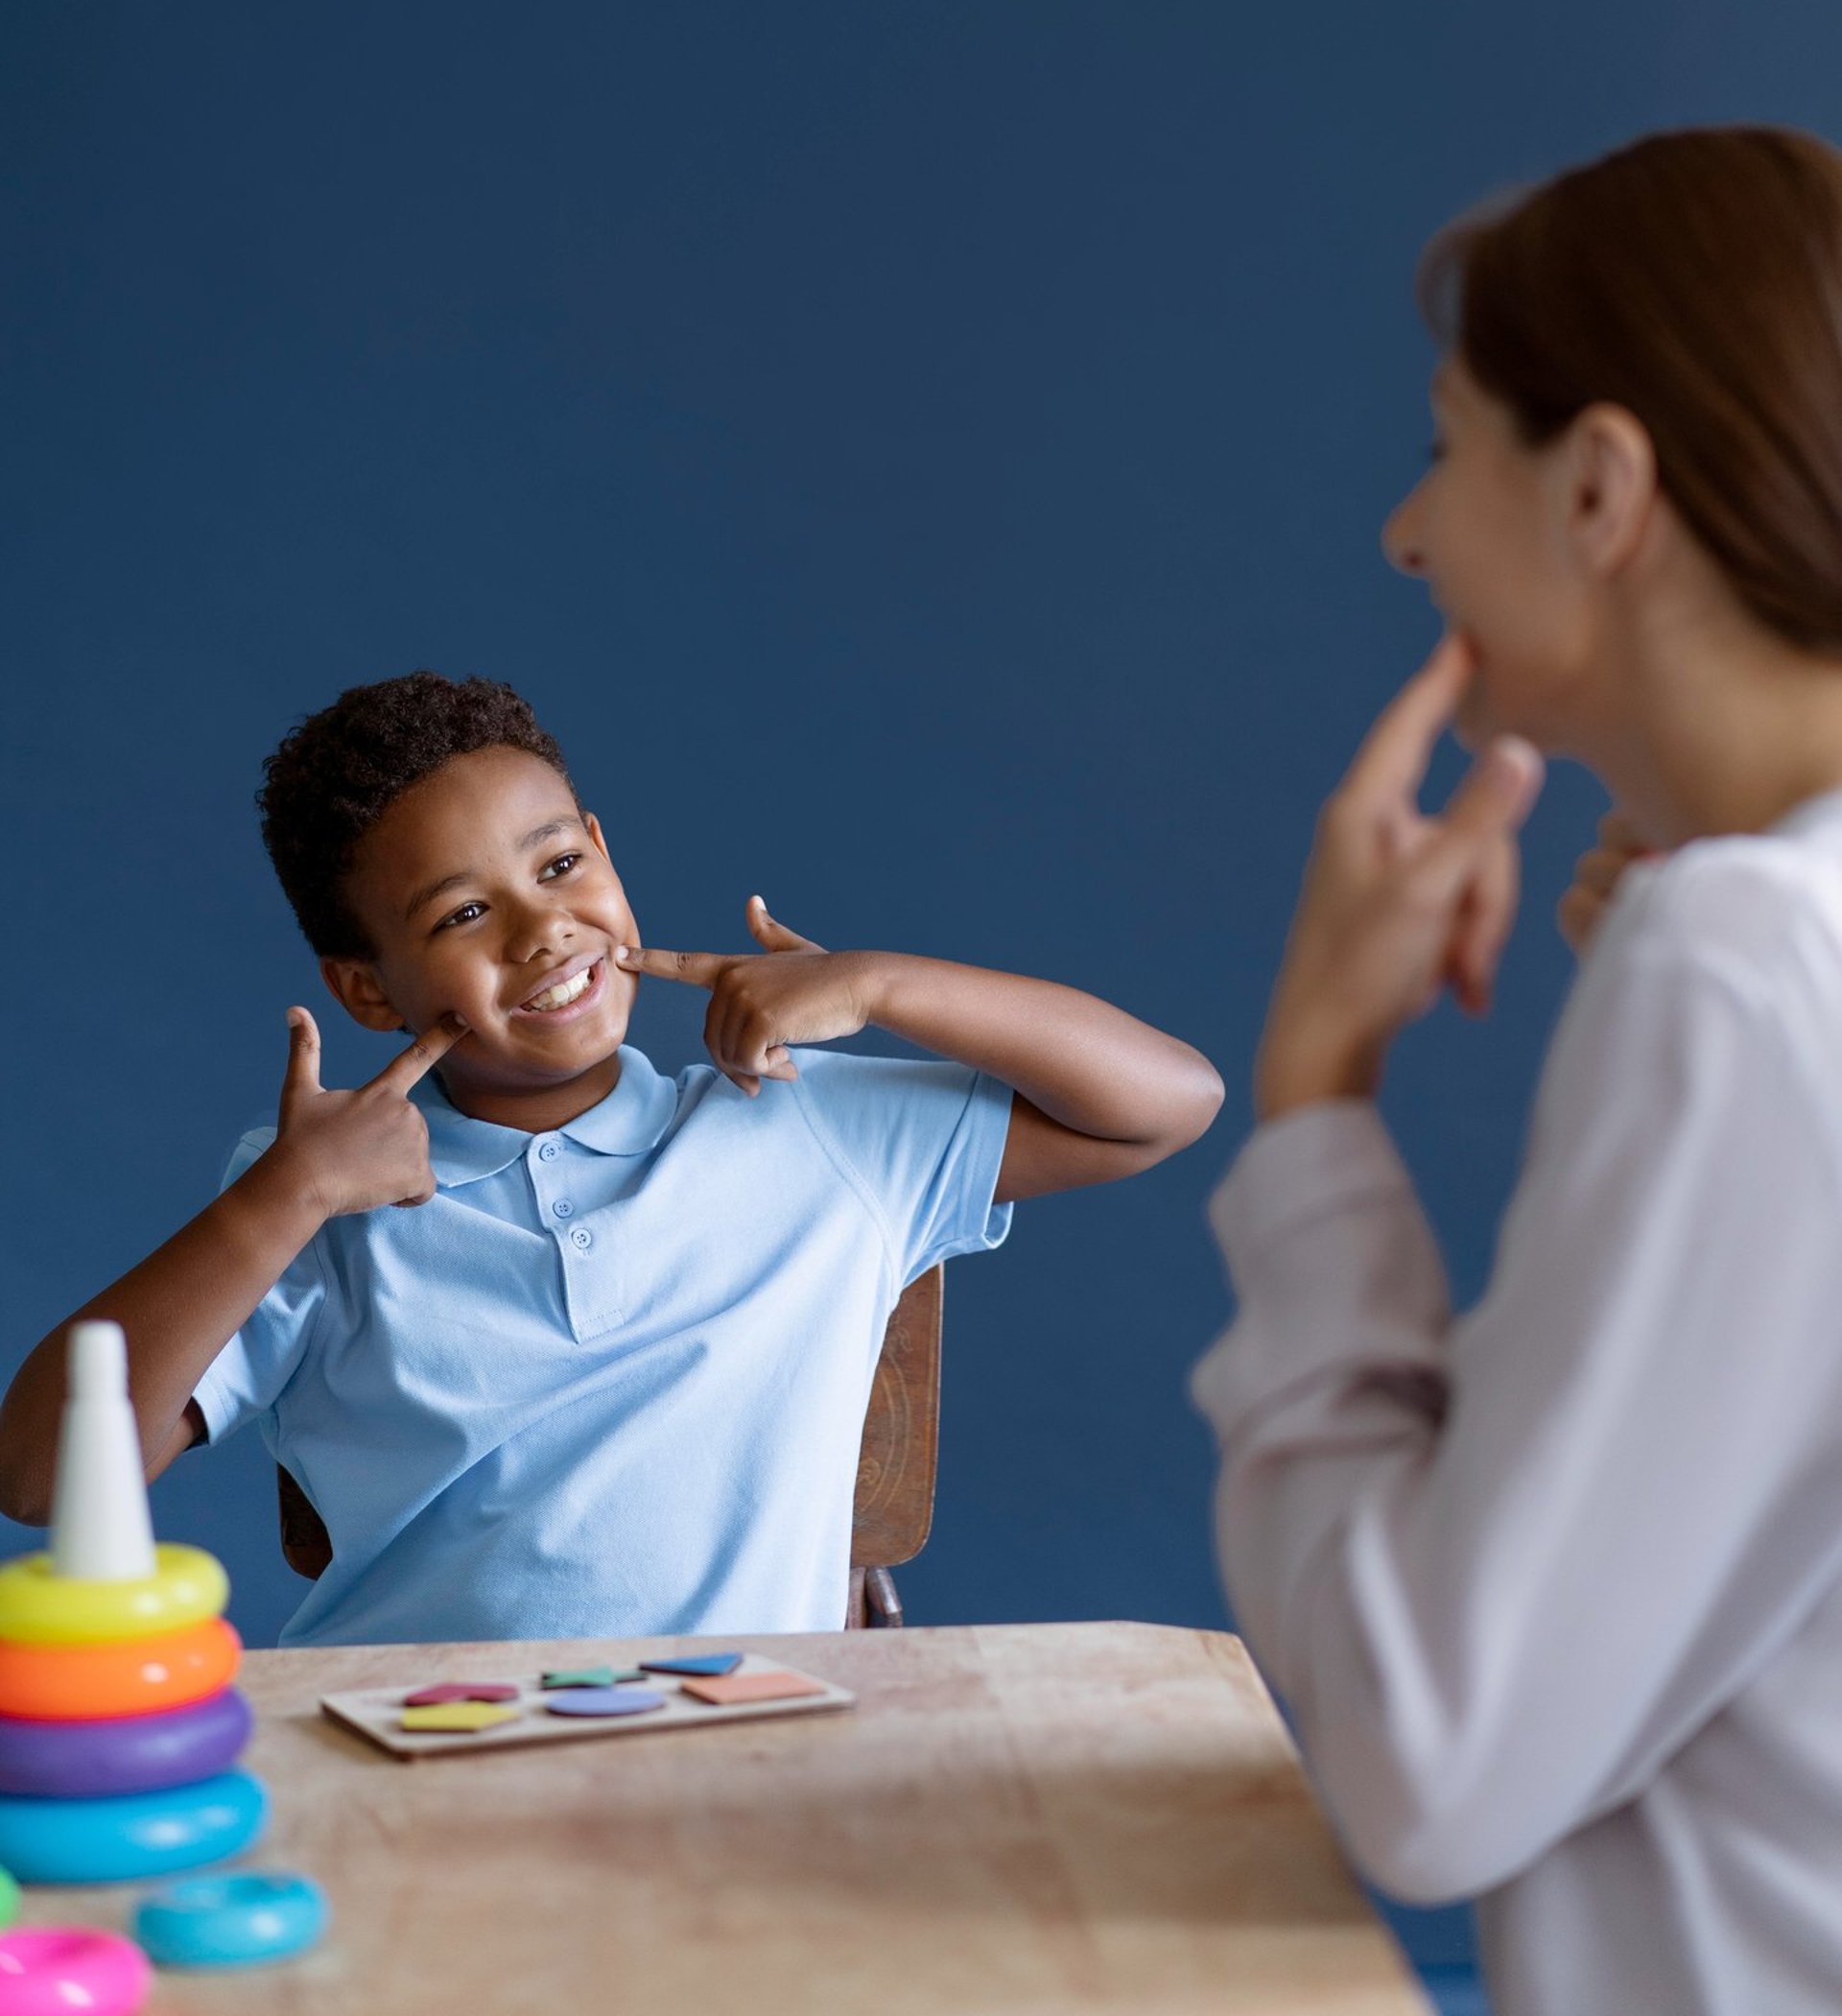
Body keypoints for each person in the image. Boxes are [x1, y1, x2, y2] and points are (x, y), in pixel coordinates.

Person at [1193, 125, 1842, 2016]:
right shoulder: (1745, 946)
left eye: (1450, 444)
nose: (1410, 534)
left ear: (1599, 491)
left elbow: (1429, 1762)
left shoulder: (1746, 962)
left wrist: (1316, 1088)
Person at [0, 674, 1221, 1644]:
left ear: (601, 846)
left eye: (559, 865)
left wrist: (882, 982)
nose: (545, 930)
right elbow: (39, 1475)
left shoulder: (807, 1125)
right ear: (365, 988)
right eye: (462, 915)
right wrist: (291, 1193)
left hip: (742, 1772)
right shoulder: (313, 1197)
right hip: (411, 1765)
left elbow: (1167, 1102)